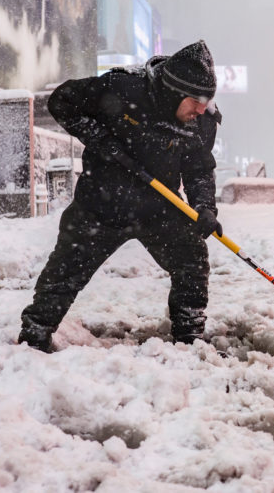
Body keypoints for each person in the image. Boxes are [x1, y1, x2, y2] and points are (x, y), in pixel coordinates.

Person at [18, 41, 223, 353]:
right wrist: (99, 138)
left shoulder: (202, 120)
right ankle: (35, 334)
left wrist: (204, 206)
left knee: (191, 258)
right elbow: (62, 101)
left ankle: (189, 337)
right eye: (196, 101)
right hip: (101, 205)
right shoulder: (123, 88)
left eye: (206, 101)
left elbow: (199, 168)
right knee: (66, 271)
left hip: (159, 208)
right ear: (174, 91)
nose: (200, 109)